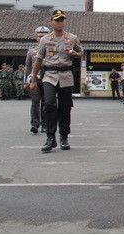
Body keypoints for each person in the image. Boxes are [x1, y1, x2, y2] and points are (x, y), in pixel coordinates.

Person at [30, 10, 84, 153]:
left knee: (65, 107)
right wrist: (33, 79)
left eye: (62, 20)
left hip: (66, 74)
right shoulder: (45, 40)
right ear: (51, 22)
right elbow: (38, 60)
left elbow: (81, 52)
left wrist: (75, 54)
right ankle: (50, 137)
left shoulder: (72, 38)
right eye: (57, 20)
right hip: (49, 75)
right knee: (49, 104)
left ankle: (64, 136)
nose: (60, 23)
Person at [25, 26, 50, 134]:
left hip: (47, 79)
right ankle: (35, 124)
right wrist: (25, 81)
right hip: (35, 79)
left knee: (46, 103)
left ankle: (45, 125)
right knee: (35, 103)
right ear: (36, 38)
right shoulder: (31, 51)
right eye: (40, 36)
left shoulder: (51, 50)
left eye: (44, 36)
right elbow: (27, 66)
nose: (41, 38)